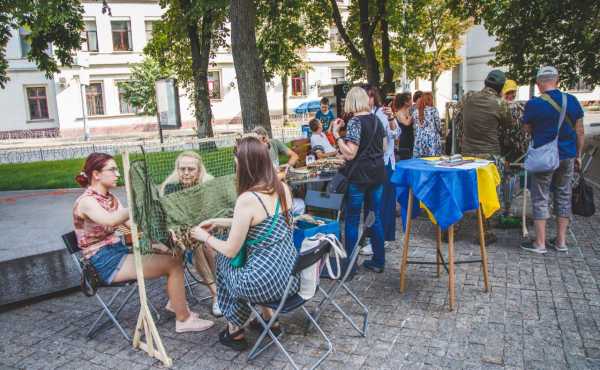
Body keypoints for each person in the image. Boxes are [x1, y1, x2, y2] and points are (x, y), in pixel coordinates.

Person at [73, 153, 213, 333]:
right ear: (96, 174)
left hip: (117, 252)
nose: (118, 174)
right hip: (102, 262)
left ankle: (176, 304)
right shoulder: (87, 202)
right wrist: (137, 204)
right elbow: (110, 220)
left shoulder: (109, 198)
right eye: (113, 169)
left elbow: (131, 227)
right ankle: (183, 320)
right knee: (172, 264)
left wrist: (158, 239)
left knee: (174, 252)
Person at [190, 136, 298, 351]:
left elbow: (231, 250)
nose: (235, 166)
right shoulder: (282, 188)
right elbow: (262, 223)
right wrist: (219, 221)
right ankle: (270, 320)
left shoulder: (248, 199)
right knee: (247, 262)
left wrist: (205, 238)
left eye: (237, 162)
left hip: (263, 284)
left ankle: (235, 331)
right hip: (291, 278)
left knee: (225, 263)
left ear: (245, 165)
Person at [520, 66, 585, 254]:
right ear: (557, 80)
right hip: (567, 155)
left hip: (544, 156)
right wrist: (578, 155)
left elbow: (526, 130)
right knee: (564, 195)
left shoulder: (534, 104)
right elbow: (580, 131)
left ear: (539, 84)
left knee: (540, 197)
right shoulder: (572, 101)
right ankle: (561, 241)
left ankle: (540, 243)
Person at [331, 86, 386, 273]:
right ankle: (379, 261)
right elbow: (384, 147)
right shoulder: (377, 119)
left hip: (359, 177)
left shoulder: (355, 121)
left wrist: (337, 135)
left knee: (353, 220)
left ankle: (350, 265)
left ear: (350, 102)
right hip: (377, 174)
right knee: (375, 217)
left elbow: (350, 153)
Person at [160, 151, 221, 317]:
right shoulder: (171, 188)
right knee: (197, 247)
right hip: (177, 237)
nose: (186, 173)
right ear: (177, 170)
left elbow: (212, 213)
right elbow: (171, 219)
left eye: (191, 169)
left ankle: (220, 287)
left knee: (208, 246)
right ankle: (216, 294)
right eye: (182, 169)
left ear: (199, 170)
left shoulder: (206, 185)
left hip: (203, 230)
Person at [458, 70, 514, 243]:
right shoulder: (500, 103)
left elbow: (460, 113)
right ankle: (484, 233)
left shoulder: (468, 98)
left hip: (467, 154)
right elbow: (509, 124)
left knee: (464, 191)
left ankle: (452, 229)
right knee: (487, 193)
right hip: (489, 156)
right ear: (501, 88)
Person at [412, 92, 442, 157]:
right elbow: (438, 125)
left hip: (419, 139)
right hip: (432, 138)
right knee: (432, 161)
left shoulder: (415, 112)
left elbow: (414, 127)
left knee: (420, 161)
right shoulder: (433, 110)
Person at [394, 92, 414, 160]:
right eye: (410, 99)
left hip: (410, 137)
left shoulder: (409, 111)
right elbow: (406, 123)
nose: (412, 101)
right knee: (405, 157)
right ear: (405, 102)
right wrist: (413, 116)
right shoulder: (399, 113)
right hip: (403, 138)